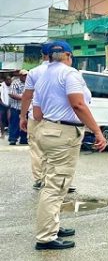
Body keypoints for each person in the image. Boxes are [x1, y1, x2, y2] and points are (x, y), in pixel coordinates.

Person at [33, 41, 106, 250]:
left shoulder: (42, 76)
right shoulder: (70, 74)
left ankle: (52, 225)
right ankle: (46, 237)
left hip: (46, 129)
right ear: (67, 55)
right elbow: (78, 104)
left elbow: (37, 113)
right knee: (56, 185)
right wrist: (97, 131)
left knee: (51, 182)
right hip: (63, 133)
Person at [21, 43, 52, 190]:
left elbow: (27, 96)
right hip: (55, 117)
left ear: (42, 55)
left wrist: (22, 116)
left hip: (35, 115)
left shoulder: (34, 72)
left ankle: (40, 178)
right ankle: (57, 179)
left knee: (36, 147)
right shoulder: (67, 71)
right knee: (55, 148)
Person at [8, 70, 28, 146]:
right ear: (20, 76)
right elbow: (11, 94)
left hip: (26, 108)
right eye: (24, 75)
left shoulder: (29, 83)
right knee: (14, 124)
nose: (25, 77)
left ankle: (24, 139)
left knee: (25, 124)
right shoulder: (15, 83)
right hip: (16, 107)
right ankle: (13, 139)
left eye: (26, 75)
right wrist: (23, 97)